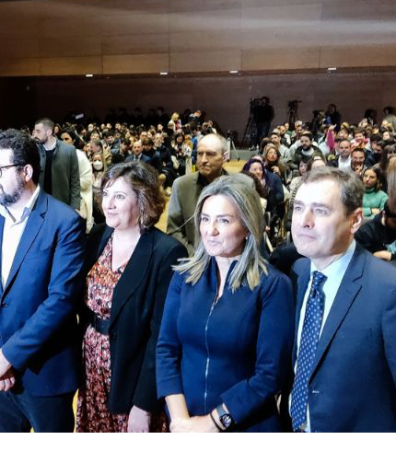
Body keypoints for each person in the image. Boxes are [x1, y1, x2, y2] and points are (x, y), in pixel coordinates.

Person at [0, 129, 85, 433]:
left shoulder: (63, 222)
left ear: (26, 171)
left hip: (44, 372)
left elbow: (61, 300)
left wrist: (8, 357)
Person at [158, 176, 293, 433]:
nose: (211, 230)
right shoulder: (184, 276)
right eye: (205, 219)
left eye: (224, 220)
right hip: (185, 421)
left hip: (246, 423)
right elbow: (166, 350)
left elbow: (269, 375)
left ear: (247, 225)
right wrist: (179, 420)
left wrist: (211, 423)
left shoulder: (272, 285)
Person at [77, 162, 186, 433]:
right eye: (106, 194)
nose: (108, 204)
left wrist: (144, 403)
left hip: (132, 374)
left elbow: (161, 336)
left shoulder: (166, 251)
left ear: (144, 200)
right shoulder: (99, 236)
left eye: (120, 196)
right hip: (92, 367)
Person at [288, 167, 396, 433]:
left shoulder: (388, 290)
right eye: (299, 207)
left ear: (355, 220)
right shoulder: (298, 273)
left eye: (321, 210)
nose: (304, 221)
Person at [167, 134, 254, 254]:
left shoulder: (244, 185)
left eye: (210, 154)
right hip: (193, 262)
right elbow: (174, 231)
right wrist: (196, 258)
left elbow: (252, 230)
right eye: (199, 153)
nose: (203, 160)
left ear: (224, 157)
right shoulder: (181, 186)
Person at [33, 118, 81, 212]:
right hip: (39, 204)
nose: (35, 135)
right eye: (34, 131)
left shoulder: (69, 150)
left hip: (62, 203)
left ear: (49, 132)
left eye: (38, 131)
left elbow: (75, 180)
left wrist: (75, 206)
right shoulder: (34, 150)